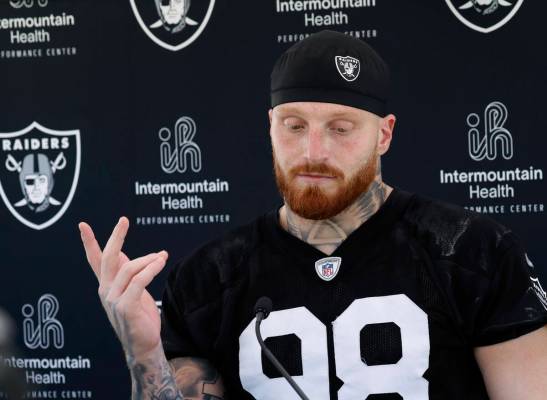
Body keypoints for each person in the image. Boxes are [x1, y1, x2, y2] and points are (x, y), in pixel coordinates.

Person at [79, 30, 547, 400]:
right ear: (270, 127)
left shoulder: (473, 252)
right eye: (294, 126)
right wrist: (145, 352)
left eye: (340, 129)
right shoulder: (209, 278)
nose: (313, 151)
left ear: (384, 135)